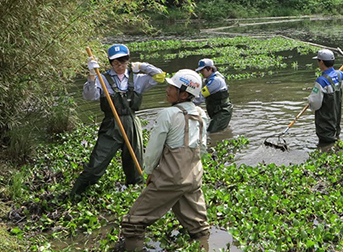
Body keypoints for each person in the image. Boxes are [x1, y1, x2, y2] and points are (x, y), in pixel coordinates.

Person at [121, 69, 210, 251]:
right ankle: (204, 246)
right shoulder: (201, 114)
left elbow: (154, 149)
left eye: (172, 87)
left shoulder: (168, 114)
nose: (167, 89)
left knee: (134, 222)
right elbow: (203, 149)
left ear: (184, 94)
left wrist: (150, 172)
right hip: (193, 177)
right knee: (198, 226)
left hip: (170, 178)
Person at [70, 44, 165, 197]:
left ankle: (134, 193)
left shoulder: (138, 78)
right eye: (116, 62)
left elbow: (160, 77)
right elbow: (89, 96)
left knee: (135, 165)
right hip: (111, 125)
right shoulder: (102, 79)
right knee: (97, 163)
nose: (120, 66)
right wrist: (91, 75)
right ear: (110, 63)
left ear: (128, 61)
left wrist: (142, 66)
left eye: (123, 61)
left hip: (132, 123)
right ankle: (75, 194)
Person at [307, 49, 343, 147]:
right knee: (335, 135)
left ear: (321, 62)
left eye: (318, 60)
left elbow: (315, 103)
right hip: (336, 118)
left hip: (325, 120)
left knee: (325, 141)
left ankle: (326, 153)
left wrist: (309, 101)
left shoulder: (321, 81)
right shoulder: (339, 74)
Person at [193, 58, 233, 133]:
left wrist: (187, 104)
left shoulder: (215, 81)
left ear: (210, 69)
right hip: (217, 111)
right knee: (219, 130)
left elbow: (200, 97)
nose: (201, 72)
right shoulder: (209, 79)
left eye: (202, 70)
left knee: (211, 133)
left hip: (223, 112)